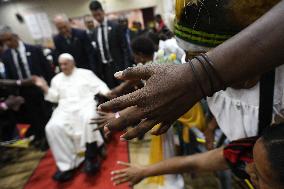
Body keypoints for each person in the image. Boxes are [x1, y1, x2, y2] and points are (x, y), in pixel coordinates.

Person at [98, 1, 284, 141]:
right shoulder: (207, 85)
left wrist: (201, 76)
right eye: (190, 59)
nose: (190, 63)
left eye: (207, 58)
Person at [111, 123, 284, 189]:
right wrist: (144, 172)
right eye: (252, 159)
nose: (248, 167)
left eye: (260, 177)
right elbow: (192, 163)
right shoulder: (245, 149)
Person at [34, 53, 110, 182]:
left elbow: (101, 86)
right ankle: (66, 166)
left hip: (85, 105)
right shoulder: (56, 79)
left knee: (89, 118)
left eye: (65, 64)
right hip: (65, 109)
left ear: (72, 63)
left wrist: (109, 94)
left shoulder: (86, 73)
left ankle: (91, 157)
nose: (63, 67)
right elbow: (53, 98)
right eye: (61, 64)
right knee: (52, 127)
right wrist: (45, 88)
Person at [0, 26, 53, 147]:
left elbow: (47, 70)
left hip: (40, 88)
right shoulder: (6, 56)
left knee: (45, 114)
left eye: (9, 40)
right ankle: (39, 136)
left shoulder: (34, 49)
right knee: (33, 116)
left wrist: (50, 87)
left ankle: (48, 138)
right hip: (24, 91)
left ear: (16, 37)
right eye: (4, 42)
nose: (7, 44)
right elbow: (10, 77)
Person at [89, 0, 129, 88]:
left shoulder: (116, 27)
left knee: (125, 91)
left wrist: (126, 68)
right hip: (105, 69)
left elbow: (125, 49)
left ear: (103, 12)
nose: (97, 17)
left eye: (99, 14)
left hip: (118, 66)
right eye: (95, 15)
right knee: (113, 94)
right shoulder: (94, 32)